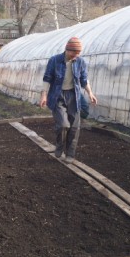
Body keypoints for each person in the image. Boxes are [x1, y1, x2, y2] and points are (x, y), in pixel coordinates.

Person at [40, 36, 97, 164]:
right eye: (74, 53)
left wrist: (90, 93)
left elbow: (84, 79)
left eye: (78, 53)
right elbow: (47, 78)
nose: (76, 56)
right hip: (57, 95)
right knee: (63, 124)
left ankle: (70, 154)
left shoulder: (80, 62)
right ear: (68, 50)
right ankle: (59, 146)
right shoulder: (55, 60)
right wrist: (44, 95)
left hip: (74, 96)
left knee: (74, 127)